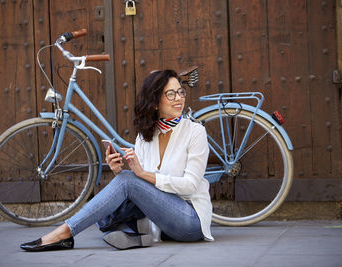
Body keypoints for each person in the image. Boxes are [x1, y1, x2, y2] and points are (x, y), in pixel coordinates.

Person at [20, 69, 214, 252]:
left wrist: (140, 175)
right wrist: (118, 171)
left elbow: (189, 186)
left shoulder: (195, 132)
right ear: (155, 102)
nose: (179, 98)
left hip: (190, 220)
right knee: (105, 215)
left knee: (125, 185)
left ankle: (64, 233)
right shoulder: (145, 136)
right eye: (171, 94)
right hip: (159, 219)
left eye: (181, 92)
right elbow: (143, 190)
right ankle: (140, 238)